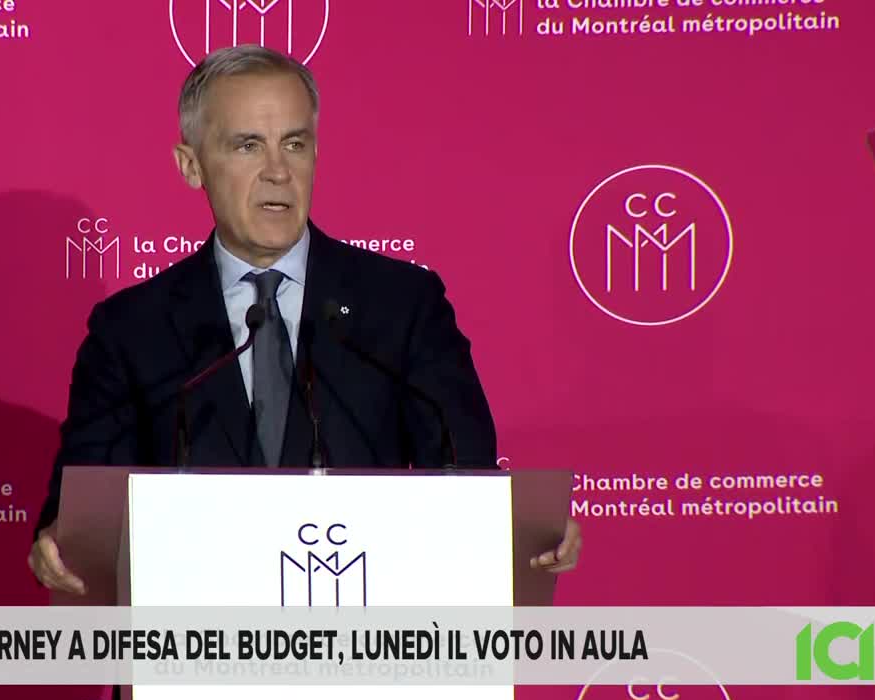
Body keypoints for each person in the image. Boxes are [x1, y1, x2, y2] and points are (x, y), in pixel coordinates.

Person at [29, 44, 581, 594]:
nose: (277, 172)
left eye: (295, 144)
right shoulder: (131, 330)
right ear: (191, 165)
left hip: (373, 652)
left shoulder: (403, 305)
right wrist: (59, 545)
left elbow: (467, 478)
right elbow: (81, 518)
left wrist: (518, 531)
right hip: (193, 653)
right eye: (248, 146)